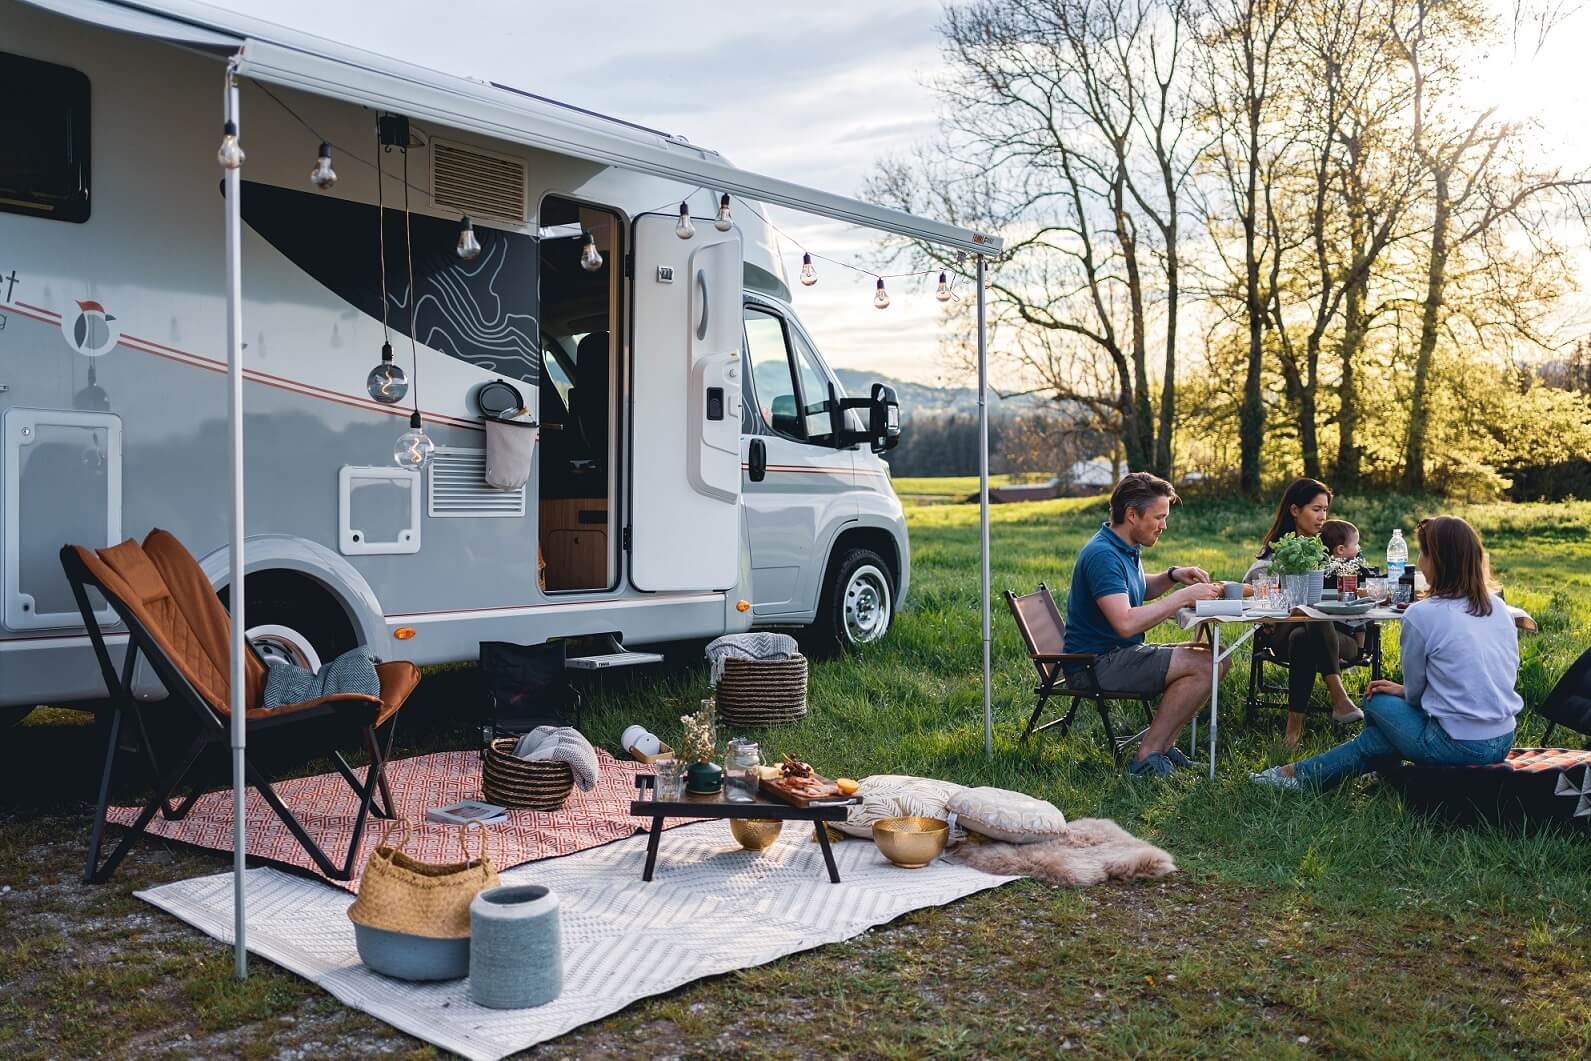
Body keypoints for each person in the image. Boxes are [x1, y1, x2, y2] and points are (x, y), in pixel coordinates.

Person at [1253, 516, 1521, 789]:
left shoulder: (1423, 614)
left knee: (1375, 699)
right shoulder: (1499, 608)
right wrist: (1407, 692)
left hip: (1456, 745)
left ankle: (1302, 776)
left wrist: (1403, 691)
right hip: (1502, 738)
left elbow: (1416, 696)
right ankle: (1300, 775)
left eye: (1422, 552)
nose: (1420, 560)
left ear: (1435, 560)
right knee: (1377, 737)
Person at [1064, 472, 1226, 779]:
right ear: (1132, 515)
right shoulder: (1103, 555)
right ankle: (1147, 756)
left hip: (1113, 655)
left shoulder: (1121, 545)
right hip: (1095, 665)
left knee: (1216, 657)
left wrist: (1171, 575)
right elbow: (1125, 622)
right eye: (1159, 517)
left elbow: (1134, 588)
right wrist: (1181, 598)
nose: (1164, 525)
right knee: (1208, 663)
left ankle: (1162, 746)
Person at [1245, 478, 1363, 745]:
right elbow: (1251, 588)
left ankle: (1293, 731)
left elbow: (1360, 588)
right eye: (1315, 509)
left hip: (1339, 637)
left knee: (1305, 634)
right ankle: (1339, 699)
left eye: (1325, 510)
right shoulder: (1277, 553)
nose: (1322, 517)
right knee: (1305, 621)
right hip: (1281, 635)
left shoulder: (1336, 546)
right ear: (1295, 510)